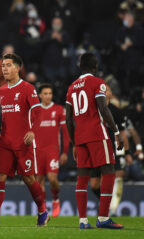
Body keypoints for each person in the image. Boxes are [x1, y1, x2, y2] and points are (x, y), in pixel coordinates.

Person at [0, 53, 49, 227]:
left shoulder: (27, 88)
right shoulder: (2, 90)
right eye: (3, 65)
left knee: (28, 178)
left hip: (22, 142)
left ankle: (42, 210)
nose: (4, 68)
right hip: (5, 142)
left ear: (18, 68)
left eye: (8, 65)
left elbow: (38, 111)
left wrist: (33, 130)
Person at [65, 53, 123, 229]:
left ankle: (83, 221)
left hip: (80, 137)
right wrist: (116, 131)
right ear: (95, 66)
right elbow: (103, 108)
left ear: (80, 66)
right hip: (97, 134)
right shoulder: (98, 83)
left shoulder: (71, 88)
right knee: (109, 170)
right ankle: (103, 218)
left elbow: (68, 120)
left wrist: (74, 143)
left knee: (82, 178)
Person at [89, 85, 132, 216]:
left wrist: (127, 152)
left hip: (115, 148)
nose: (104, 92)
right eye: (102, 90)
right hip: (97, 149)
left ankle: (112, 209)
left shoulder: (117, 112)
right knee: (94, 185)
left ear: (110, 93)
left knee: (118, 175)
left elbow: (123, 134)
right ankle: (106, 202)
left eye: (106, 90)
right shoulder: (94, 111)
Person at [35, 83, 70, 218]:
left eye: (50, 93)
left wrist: (65, 152)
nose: (48, 96)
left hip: (52, 150)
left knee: (52, 178)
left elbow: (65, 133)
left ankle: (55, 199)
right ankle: (43, 211)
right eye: (45, 93)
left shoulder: (59, 110)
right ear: (40, 95)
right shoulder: (35, 111)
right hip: (38, 151)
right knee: (39, 182)